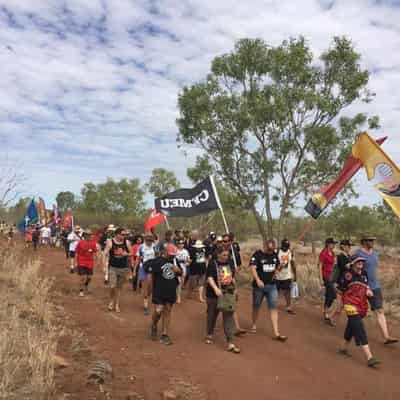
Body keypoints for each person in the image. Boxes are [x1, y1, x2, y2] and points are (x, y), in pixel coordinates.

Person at [353, 235, 398, 345]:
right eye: (370, 240)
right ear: (364, 242)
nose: (372, 242)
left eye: (373, 240)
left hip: (374, 286)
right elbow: (350, 266)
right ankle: (352, 332)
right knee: (357, 311)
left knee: (379, 310)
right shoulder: (358, 254)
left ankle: (386, 337)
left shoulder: (375, 254)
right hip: (361, 286)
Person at [337, 256, 380, 368]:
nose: (361, 263)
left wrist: (368, 290)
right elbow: (340, 291)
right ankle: (369, 357)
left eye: (362, 261)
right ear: (353, 263)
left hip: (361, 306)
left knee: (351, 327)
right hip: (350, 305)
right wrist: (339, 306)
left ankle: (343, 348)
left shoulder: (364, 274)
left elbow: (366, 286)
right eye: (358, 261)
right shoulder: (347, 275)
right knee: (359, 328)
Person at [249, 239, 287, 341]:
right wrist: (257, 280)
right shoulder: (257, 254)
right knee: (256, 305)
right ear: (265, 246)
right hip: (259, 286)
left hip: (272, 286)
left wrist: (280, 267)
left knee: (274, 307)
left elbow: (277, 268)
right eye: (269, 249)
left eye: (272, 249)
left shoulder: (275, 255)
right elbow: (252, 267)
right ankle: (254, 323)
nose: (270, 251)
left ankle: (276, 332)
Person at [205, 247, 241, 354]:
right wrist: (215, 288)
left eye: (227, 255)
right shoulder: (212, 264)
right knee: (212, 315)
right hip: (213, 295)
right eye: (224, 255)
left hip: (227, 294)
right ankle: (210, 333)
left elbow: (232, 277)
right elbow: (209, 278)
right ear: (219, 254)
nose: (226, 257)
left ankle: (230, 342)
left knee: (228, 316)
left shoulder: (229, 263)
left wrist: (235, 288)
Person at [147, 243, 182, 345]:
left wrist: (177, 269)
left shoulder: (175, 260)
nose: (172, 256)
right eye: (171, 254)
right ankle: (154, 323)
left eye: (174, 254)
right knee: (158, 310)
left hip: (171, 290)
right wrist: (150, 290)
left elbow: (180, 273)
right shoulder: (157, 262)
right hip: (159, 290)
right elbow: (151, 276)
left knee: (168, 310)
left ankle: (164, 334)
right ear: (165, 252)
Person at [221, 233, 246, 336]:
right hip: (221, 281)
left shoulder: (235, 252)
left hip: (232, 281)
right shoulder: (219, 252)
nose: (224, 242)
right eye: (223, 240)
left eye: (226, 241)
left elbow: (239, 265)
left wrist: (238, 270)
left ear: (231, 241)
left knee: (231, 304)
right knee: (220, 306)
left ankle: (236, 327)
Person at [103, 228, 131, 313]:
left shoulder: (127, 242)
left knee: (119, 288)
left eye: (125, 235)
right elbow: (105, 253)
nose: (124, 236)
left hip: (123, 268)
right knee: (112, 286)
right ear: (117, 234)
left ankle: (117, 304)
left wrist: (127, 254)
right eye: (122, 234)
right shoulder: (111, 242)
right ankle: (111, 300)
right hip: (113, 268)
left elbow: (132, 252)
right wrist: (104, 265)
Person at [329, 239, 352, 323]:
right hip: (340, 283)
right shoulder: (340, 256)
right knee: (339, 305)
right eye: (348, 246)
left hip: (347, 283)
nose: (349, 247)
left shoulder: (349, 256)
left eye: (350, 246)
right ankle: (331, 317)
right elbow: (343, 267)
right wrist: (352, 264)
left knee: (342, 305)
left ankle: (331, 317)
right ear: (343, 246)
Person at [318, 238, 337, 324]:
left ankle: (325, 312)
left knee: (329, 294)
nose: (334, 245)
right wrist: (321, 279)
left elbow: (333, 265)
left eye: (334, 244)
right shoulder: (324, 252)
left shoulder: (332, 253)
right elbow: (319, 266)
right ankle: (327, 310)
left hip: (331, 276)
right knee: (333, 294)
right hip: (325, 276)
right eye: (332, 243)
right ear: (328, 244)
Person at [75, 230, 99, 297]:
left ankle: (86, 285)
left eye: (90, 235)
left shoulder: (93, 243)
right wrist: (75, 263)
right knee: (82, 277)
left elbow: (95, 251)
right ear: (84, 236)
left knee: (89, 277)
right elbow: (76, 252)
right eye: (87, 235)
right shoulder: (80, 243)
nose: (89, 236)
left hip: (90, 262)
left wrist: (97, 259)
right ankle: (81, 291)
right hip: (81, 261)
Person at [275, 239, 296, 314]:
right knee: (275, 292)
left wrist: (295, 275)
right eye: (284, 247)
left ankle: (288, 307)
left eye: (287, 247)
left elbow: (293, 263)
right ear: (282, 246)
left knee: (287, 292)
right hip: (277, 276)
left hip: (287, 276)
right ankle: (273, 305)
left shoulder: (290, 252)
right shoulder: (277, 252)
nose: (286, 248)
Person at [137, 234, 156, 315]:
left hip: (153, 268)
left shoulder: (155, 247)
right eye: (147, 240)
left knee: (150, 288)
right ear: (145, 240)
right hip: (143, 268)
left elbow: (158, 256)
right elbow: (138, 258)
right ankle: (146, 306)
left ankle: (147, 297)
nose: (149, 242)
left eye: (150, 240)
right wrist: (135, 270)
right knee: (145, 286)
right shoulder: (141, 247)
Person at [175, 239, 191, 304]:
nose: (181, 245)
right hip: (176, 267)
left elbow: (188, 259)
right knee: (178, 282)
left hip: (183, 267)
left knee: (181, 282)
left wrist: (188, 262)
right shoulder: (175, 250)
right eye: (179, 243)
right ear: (177, 244)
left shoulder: (185, 251)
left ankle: (178, 294)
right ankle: (178, 297)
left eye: (182, 244)